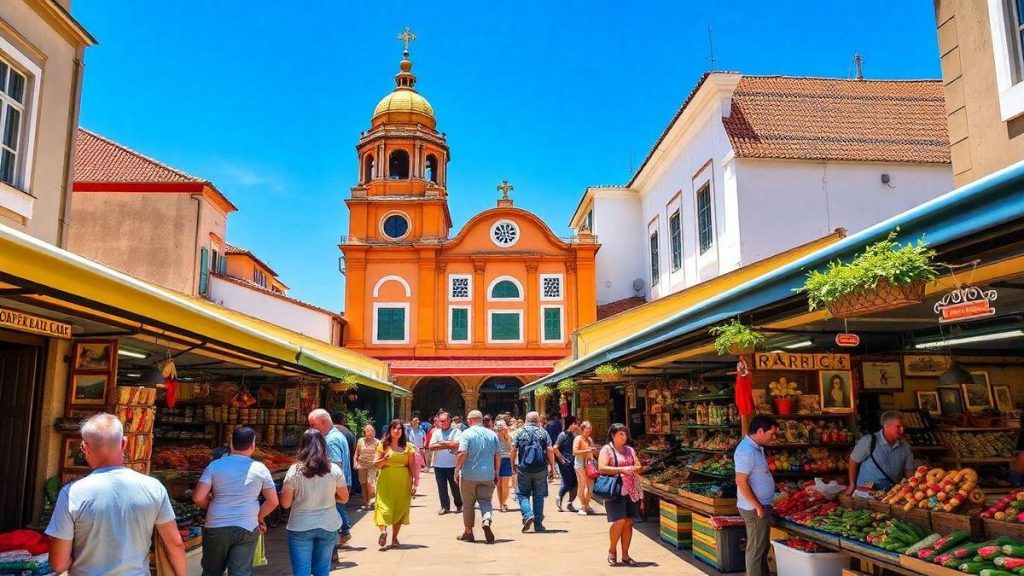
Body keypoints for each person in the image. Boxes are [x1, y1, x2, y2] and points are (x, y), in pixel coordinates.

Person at [45, 413, 186, 575]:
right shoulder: (154, 488)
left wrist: (77, 562)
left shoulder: (72, 493)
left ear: (84, 448)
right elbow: (175, 544)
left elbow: (58, 563)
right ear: (124, 443)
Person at [192, 426, 279, 576]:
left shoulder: (215, 465)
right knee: (240, 573)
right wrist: (258, 517)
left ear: (231, 444)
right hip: (247, 526)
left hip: (216, 526)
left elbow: (198, 497)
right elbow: (273, 501)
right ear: (253, 446)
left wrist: (212, 506)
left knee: (211, 572)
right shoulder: (260, 468)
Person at [280, 430, 348, 576]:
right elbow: (345, 498)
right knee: (322, 571)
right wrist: (331, 497)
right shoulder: (334, 469)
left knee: (301, 572)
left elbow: (285, 504)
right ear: (323, 445)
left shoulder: (294, 470)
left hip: (300, 525)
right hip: (328, 525)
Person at [734, 414, 779, 576]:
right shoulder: (746, 451)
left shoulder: (755, 448)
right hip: (754, 508)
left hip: (759, 505)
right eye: (771, 434)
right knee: (756, 549)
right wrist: (758, 506)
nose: (773, 437)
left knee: (762, 547)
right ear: (760, 431)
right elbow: (741, 481)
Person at [598, 423, 645, 566]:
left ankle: (625, 554)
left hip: (631, 491)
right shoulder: (607, 449)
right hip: (615, 489)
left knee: (629, 521)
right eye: (620, 434)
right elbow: (602, 467)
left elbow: (638, 466)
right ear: (613, 435)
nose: (624, 437)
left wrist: (639, 467)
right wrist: (622, 469)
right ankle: (612, 550)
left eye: (625, 434)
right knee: (620, 520)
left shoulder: (630, 450)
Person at [308, 409, 353, 547]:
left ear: (323, 421)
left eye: (312, 424)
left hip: (334, 487)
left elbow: (335, 466)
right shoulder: (337, 435)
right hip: (341, 484)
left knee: (330, 520)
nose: (311, 428)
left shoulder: (331, 440)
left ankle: (333, 547)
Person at [455, 410, 501, 543]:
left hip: (469, 475)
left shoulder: (466, 434)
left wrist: (456, 470)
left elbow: (462, 453)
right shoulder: (492, 434)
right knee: (486, 501)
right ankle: (486, 519)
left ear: (469, 420)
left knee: (468, 504)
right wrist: (496, 472)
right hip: (487, 474)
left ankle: (468, 532)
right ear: (481, 420)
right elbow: (497, 455)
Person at [509, 411, 557, 533]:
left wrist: (512, 465)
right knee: (538, 496)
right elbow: (550, 450)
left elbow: (513, 449)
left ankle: (528, 514)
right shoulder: (543, 432)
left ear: (526, 420)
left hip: (524, 468)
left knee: (522, 494)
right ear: (538, 421)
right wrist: (552, 467)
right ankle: (538, 524)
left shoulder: (520, 432)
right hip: (541, 469)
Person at [374, 419, 417, 550]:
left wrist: (414, 481)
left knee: (399, 507)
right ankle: (383, 532)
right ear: (390, 430)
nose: (397, 431)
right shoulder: (382, 445)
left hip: (403, 480)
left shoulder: (408, 446)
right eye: (395, 428)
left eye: (400, 429)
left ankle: (394, 538)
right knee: (383, 506)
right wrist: (384, 458)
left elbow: (412, 465)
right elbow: (376, 465)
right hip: (386, 479)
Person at [846, 411, 914, 493]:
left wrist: (912, 487)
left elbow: (909, 470)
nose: (902, 430)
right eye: (898, 426)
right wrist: (852, 484)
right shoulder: (869, 441)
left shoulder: (905, 446)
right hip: (866, 493)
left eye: (903, 426)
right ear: (886, 426)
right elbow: (853, 461)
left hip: (891, 493)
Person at [428, 411, 463, 514]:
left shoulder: (456, 431)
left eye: (443, 420)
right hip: (439, 465)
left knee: (455, 486)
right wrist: (449, 444)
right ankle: (444, 506)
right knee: (441, 487)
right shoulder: (436, 432)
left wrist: (441, 443)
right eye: (439, 421)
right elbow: (431, 446)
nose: (441, 422)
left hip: (452, 465)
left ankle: (459, 504)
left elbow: (457, 444)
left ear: (449, 420)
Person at [573, 420, 600, 516]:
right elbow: (575, 451)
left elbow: (593, 452)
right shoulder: (578, 439)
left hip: (589, 463)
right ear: (582, 429)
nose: (589, 429)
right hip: (580, 463)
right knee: (582, 485)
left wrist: (594, 451)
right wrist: (587, 450)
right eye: (587, 428)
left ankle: (587, 505)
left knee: (590, 487)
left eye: (590, 428)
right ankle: (583, 506)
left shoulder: (589, 439)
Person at [554, 416, 579, 513]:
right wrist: (562, 459)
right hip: (565, 463)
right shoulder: (562, 435)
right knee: (567, 482)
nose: (577, 425)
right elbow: (555, 448)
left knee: (574, 483)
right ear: (572, 424)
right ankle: (559, 497)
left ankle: (570, 503)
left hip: (572, 462)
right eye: (576, 423)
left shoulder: (573, 435)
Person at [355, 424, 380, 510]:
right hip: (361, 465)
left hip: (372, 465)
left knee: (370, 483)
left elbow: (379, 454)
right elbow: (357, 453)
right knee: (363, 484)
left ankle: (370, 501)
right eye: (368, 431)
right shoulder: (360, 441)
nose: (370, 432)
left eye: (372, 431)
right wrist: (355, 462)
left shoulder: (377, 442)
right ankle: (365, 503)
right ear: (364, 432)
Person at [495, 419, 515, 512]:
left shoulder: (509, 437)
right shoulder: (494, 437)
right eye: (498, 429)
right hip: (497, 460)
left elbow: (512, 450)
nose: (499, 430)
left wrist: (512, 463)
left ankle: (503, 503)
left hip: (506, 460)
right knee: (499, 484)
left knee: (505, 485)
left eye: (500, 428)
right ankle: (501, 504)